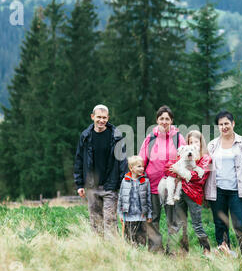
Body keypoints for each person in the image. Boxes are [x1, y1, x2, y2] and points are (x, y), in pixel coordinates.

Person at [204, 111, 242, 259]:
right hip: (217, 191)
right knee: (220, 225)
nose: (224, 127)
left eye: (226, 123)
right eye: (221, 124)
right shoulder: (212, 145)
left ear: (233, 123)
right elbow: (206, 168)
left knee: (240, 224)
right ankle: (225, 255)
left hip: (238, 191)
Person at [74, 104, 128, 237]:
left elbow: (123, 162)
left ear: (108, 118)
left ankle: (112, 250)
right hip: (92, 186)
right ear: (92, 117)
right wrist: (80, 184)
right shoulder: (86, 136)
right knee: (95, 221)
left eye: (104, 118)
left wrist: (123, 183)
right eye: (98, 117)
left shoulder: (116, 136)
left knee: (110, 220)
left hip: (111, 185)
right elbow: (79, 160)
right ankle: (98, 250)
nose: (101, 120)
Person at [138, 105, 186, 252]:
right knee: (153, 219)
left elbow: (185, 159)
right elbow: (141, 159)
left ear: (171, 121)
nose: (164, 121)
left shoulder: (178, 138)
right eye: (161, 118)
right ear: (157, 120)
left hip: (172, 185)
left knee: (173, 221)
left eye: (167, 119)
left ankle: (172, 251)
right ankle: (155, 250)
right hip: (152, 186)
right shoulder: (150, 138)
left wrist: (180, 174)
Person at [167, 130, 212, 255]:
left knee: (197, 224)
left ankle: (206, 250)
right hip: (180, 192)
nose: (193, 144)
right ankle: (174, 251)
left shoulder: (205, 158)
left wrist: (180, 172)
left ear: (201, 143)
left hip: (194, 194)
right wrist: (176, 171)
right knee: (179, 224)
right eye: (190, 142)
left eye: (196, 142)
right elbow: (170, 168)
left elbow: (198, 177)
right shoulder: (184, 155)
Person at [117, 156, 153, 246]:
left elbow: (148, 199)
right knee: (129, 239)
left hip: (141, 216)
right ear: (131, 168)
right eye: (139, 166)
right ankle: (131, 255)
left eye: (142, 166)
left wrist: (149, 214)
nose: (142, 168)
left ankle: (140, 255)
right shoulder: (125, 181)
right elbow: (120, 198)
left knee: (141, 239)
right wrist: (120, 214)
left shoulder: (145, 181)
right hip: (129, 216)